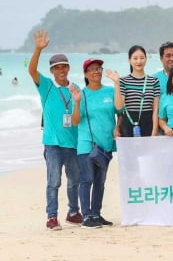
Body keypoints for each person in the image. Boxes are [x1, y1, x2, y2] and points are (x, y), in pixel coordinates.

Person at [28, 29, 82, 230]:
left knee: (74, 180)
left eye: (64, 67)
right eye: (57, 68)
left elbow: (79, 117)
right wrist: (38, 49)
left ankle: (73, 212)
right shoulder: (47, 87)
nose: (61, 70)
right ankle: (52, 217)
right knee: (54, 182)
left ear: (68, 68)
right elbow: (32, 71)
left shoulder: (75, 88)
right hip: (52, 143)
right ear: (52, 71)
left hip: (73, 142)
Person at [69, 58, 116, 229]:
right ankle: (87, 216)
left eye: (98, 68)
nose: (96, 71)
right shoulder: (81, 94)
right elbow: (75, 121)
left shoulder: (110, 91)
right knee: (87, 179)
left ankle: (96, 213)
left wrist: (117, 128)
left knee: (100, 182)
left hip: (105, 145)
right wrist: (77, 102)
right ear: (86, 74)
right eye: (92, 69)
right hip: (86, 144)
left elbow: (120, 112)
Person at [107, 45, 160, 137]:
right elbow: (119, 106)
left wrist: (154, 131)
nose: (139, 61)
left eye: (142, 58)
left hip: (148, 124)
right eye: (135, 58)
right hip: (128, 124)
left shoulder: (154, 81)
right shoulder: (123, 81)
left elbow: (155, 110)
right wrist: (116, 83)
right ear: (129, 60)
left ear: (146, 59)